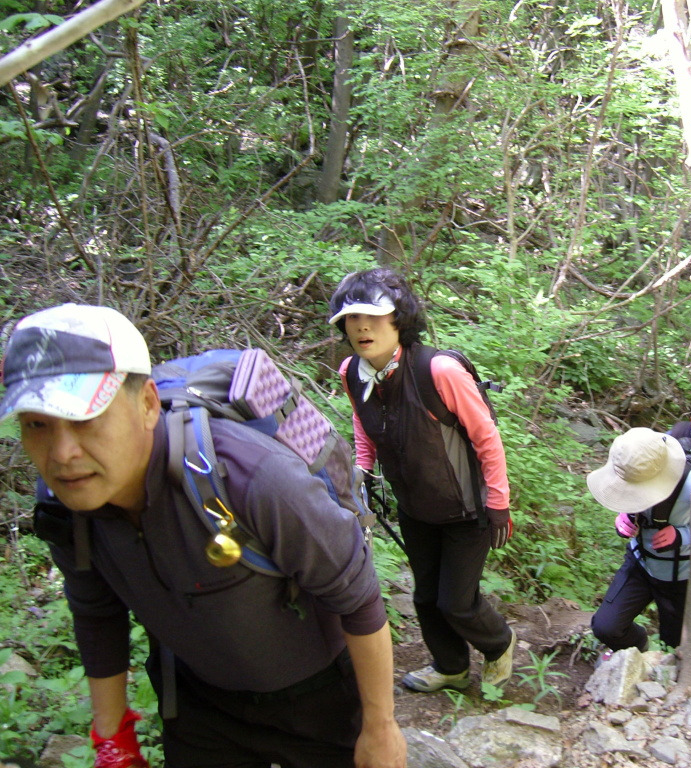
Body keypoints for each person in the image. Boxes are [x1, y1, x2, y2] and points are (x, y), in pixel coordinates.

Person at [2, 304, 406, 768]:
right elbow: (97, 614)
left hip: (322, 699)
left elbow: (355, 594)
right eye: (37, 424)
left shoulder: (251, 476)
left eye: (85, 419)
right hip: (198, 704)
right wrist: (112, 741)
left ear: (148, 404)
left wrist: (380, 725)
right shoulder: (65, 504)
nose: (62, 453)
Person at [329, 268, 516, 694]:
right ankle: (450, 667)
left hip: (468, 508)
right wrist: (364, 471)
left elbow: (486, 436)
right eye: (351, 319)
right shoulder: (352, 373)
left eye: (373, 317)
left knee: (457, 601)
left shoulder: (440, 371)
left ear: (399, 319)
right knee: (426, 598)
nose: (361, 327)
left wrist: (499, 501)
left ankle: (500, 643)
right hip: (415, 506)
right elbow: (363, 422)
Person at [587, 427, 691, 653]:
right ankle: (638, 648)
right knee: (606, 627)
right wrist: (623, 518)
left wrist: (682, 535)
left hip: (681, 576)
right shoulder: (629, 464)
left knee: (674, 647)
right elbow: (628, 499)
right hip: (640, 565)